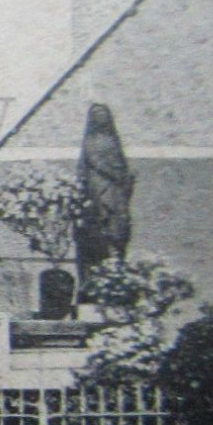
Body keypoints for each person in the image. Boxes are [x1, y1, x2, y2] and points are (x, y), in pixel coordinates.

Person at [75, 103, 134, 289]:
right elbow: (96, 164)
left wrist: (124, 178)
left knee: (116, 232)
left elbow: (120, 165)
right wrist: (117, 175)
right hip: (98, 192)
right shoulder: (91, 141)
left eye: (103, 113)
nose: (100, 117)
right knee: (99, 231)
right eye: (96, 114)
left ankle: (115, 275)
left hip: (115, 194)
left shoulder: (113, 140)